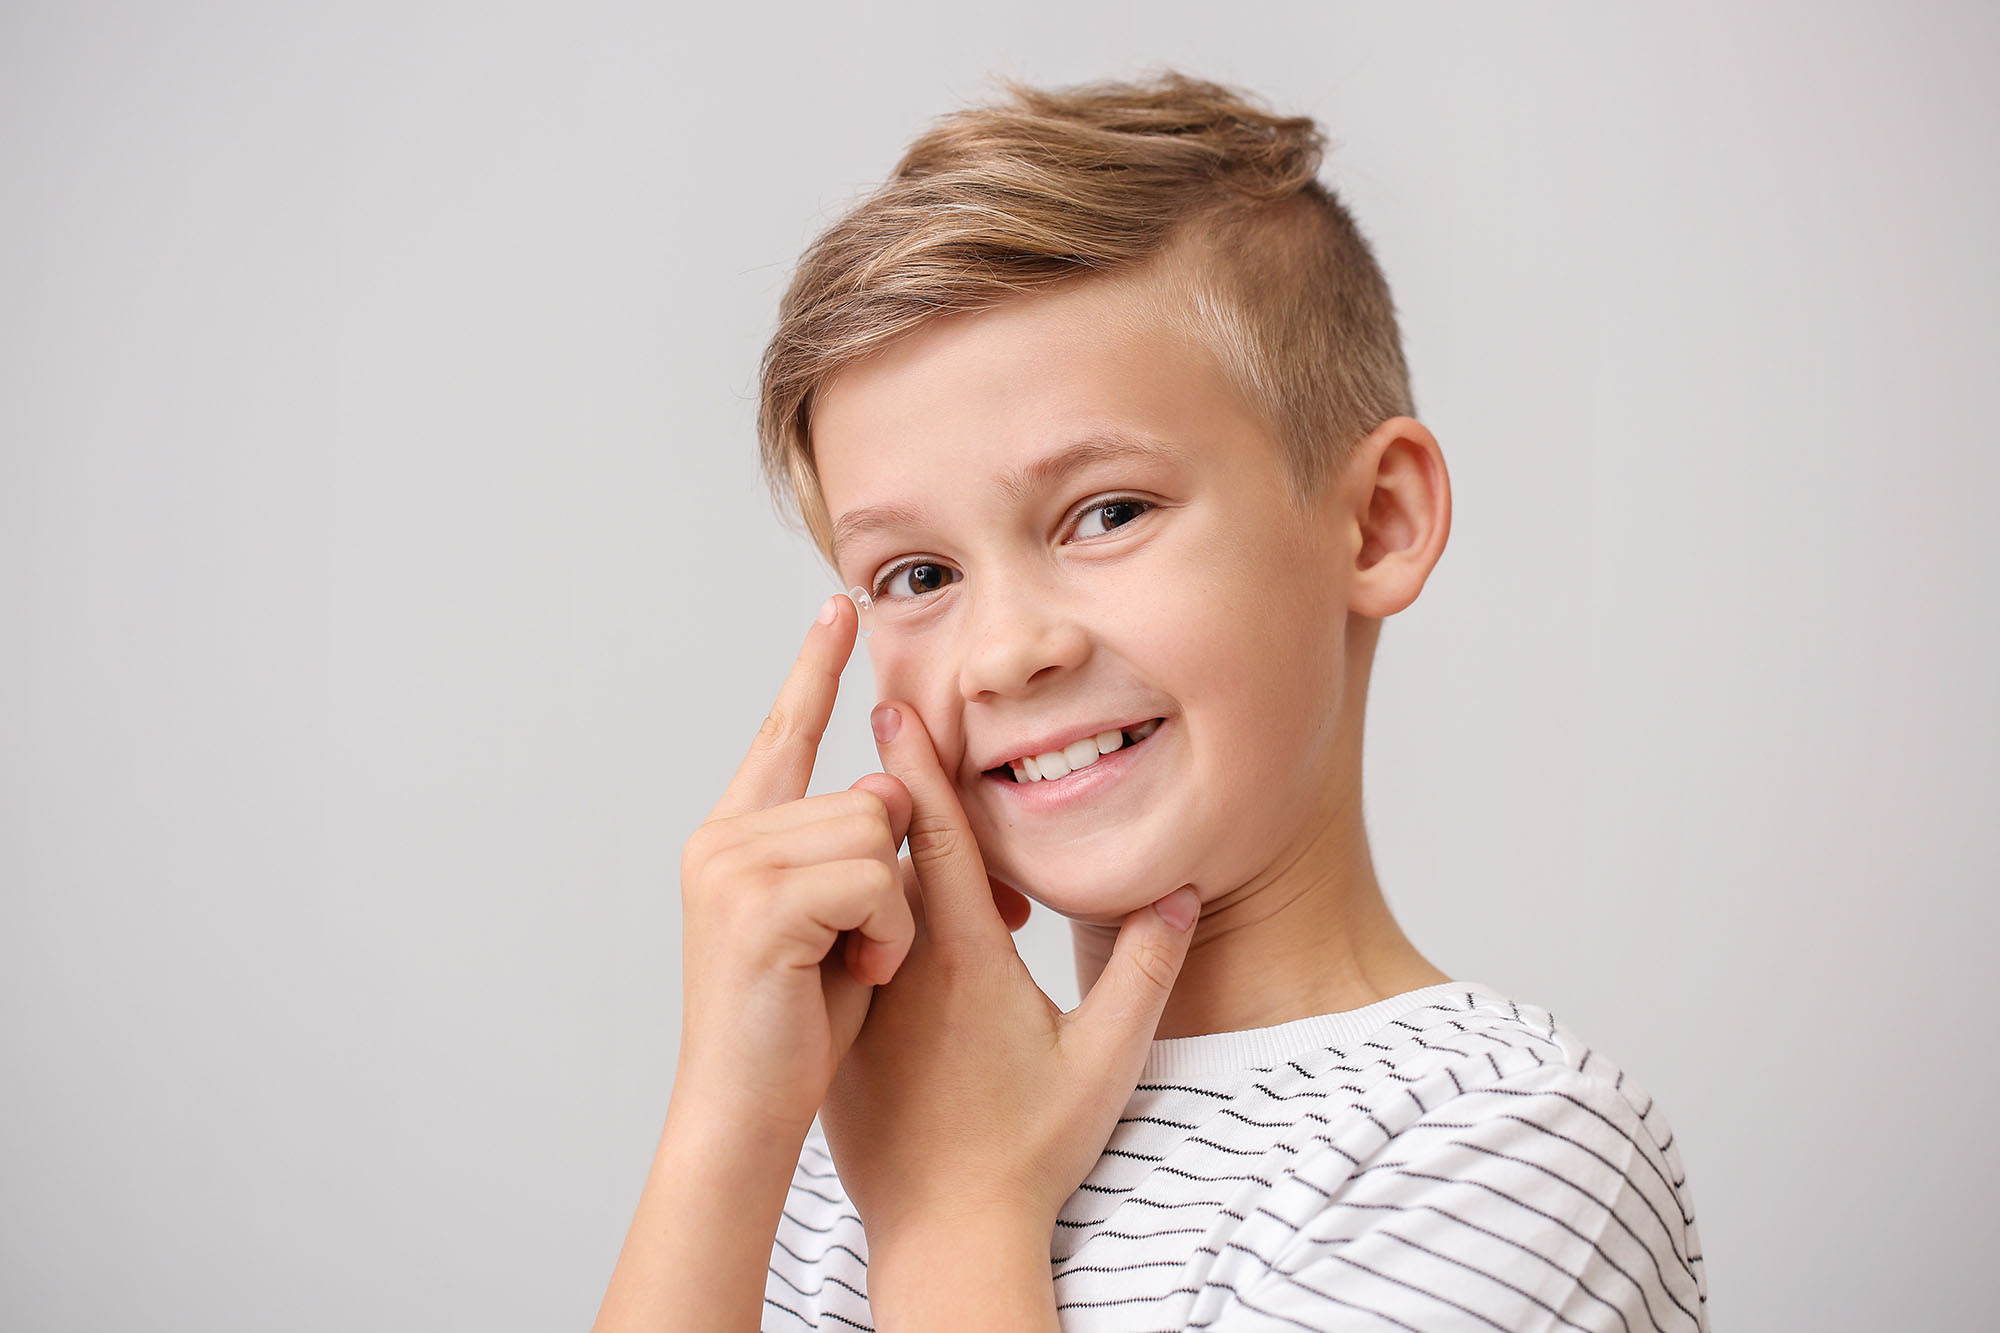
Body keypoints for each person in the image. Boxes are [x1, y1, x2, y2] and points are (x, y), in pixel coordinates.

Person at [594, 70, 1710, 1331]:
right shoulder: (866, 1147)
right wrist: (725, 1127)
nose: (1005, 652)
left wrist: (961, 1217)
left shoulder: (1499, 1155)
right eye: (918, 575)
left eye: (1106, 512)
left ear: (1376, 519)